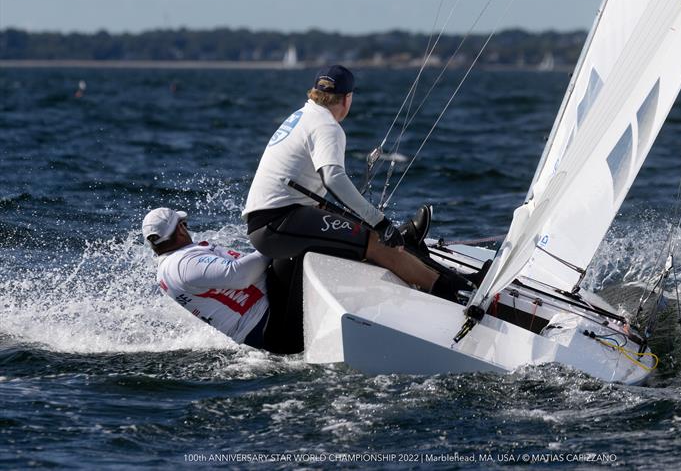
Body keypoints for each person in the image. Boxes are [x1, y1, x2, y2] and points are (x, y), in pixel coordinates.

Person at [243, 64, 471, 301]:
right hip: (277, 225)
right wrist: (380, 223)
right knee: (375, 242)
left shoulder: (301, 116)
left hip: (270, 222)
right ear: (346, 99)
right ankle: (453, 291)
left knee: (365, 233)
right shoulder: (326, 126)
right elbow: (332, 178)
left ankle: (410, 245)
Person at [142, 207, 302, 353]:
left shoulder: (170, 266)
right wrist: (273, 242)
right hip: (277, 326)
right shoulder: (183, 264)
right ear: (181, 229)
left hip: (269, 328)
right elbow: (240, 275)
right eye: (184, 223)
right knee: (294, 238)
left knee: (291, 242)